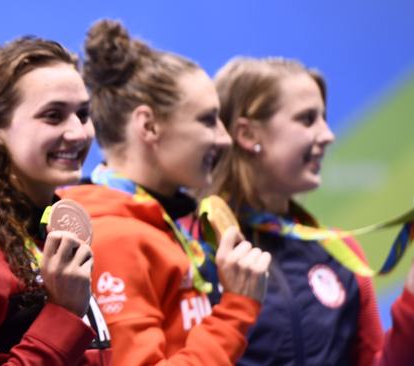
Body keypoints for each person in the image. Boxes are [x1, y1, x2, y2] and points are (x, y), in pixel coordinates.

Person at [58, 19, 271, 365]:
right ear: (149, 126)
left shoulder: (170, 221)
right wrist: (236, 310)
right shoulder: (113, 236)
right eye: (207, 120)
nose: (224, 138)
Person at [212, 56, 414, 365]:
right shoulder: (196, 246)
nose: (327, 135)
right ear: (248, 134)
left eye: (324, 117)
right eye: (307, 119)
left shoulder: (338, 251)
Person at [0, 37, 111, 364]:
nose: (78, 133)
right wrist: (64, 312)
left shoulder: (56, 227)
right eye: (53, 116)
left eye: (83, 114)